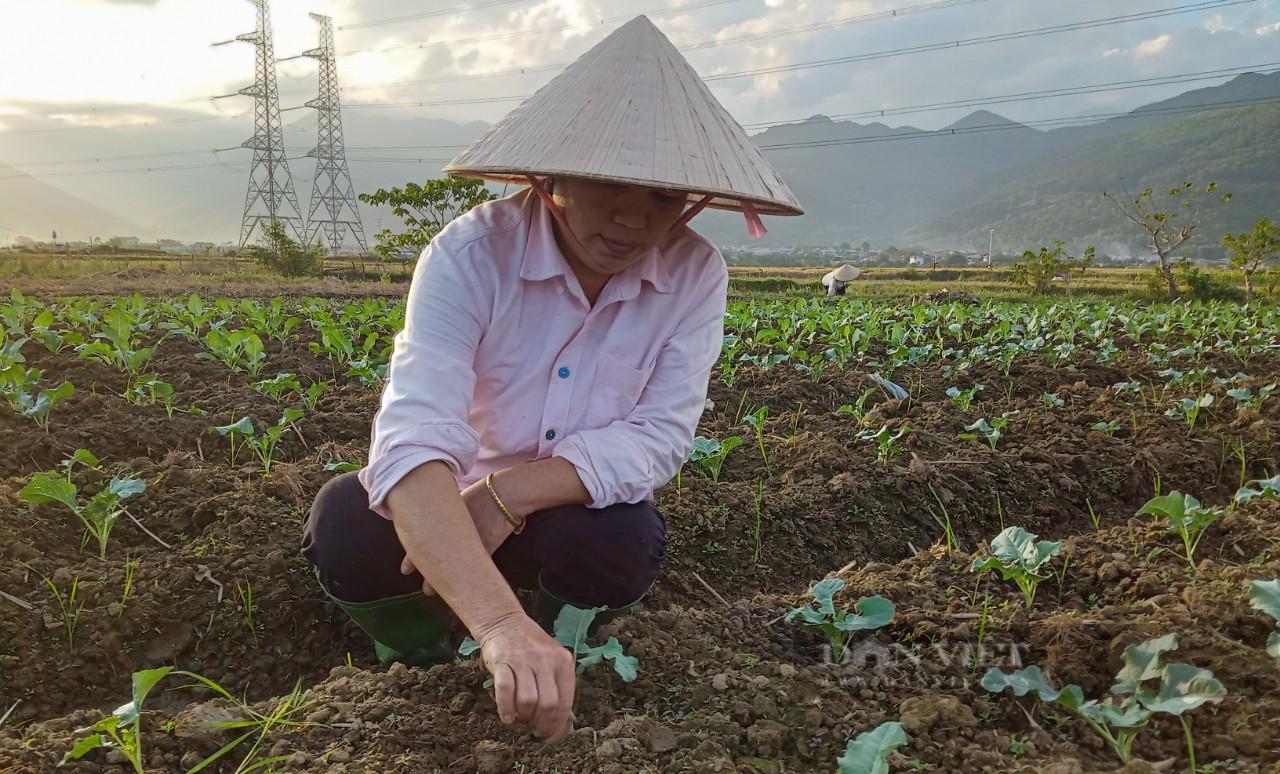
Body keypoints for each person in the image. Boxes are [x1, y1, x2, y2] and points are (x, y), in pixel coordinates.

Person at [300, 15, 801, 743]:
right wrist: (496, 618)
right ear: (549, 176)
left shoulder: (696, 274)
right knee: (345, 520)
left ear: (693, 203)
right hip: (448, 509)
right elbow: (413, 438)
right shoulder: (471, 255)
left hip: (560, 508)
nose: (633, 216)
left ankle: (553, 642)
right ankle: (428, 655)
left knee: (621, 539)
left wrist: (509, 493)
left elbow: (659, 439)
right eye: (607, 183)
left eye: (663, 196)